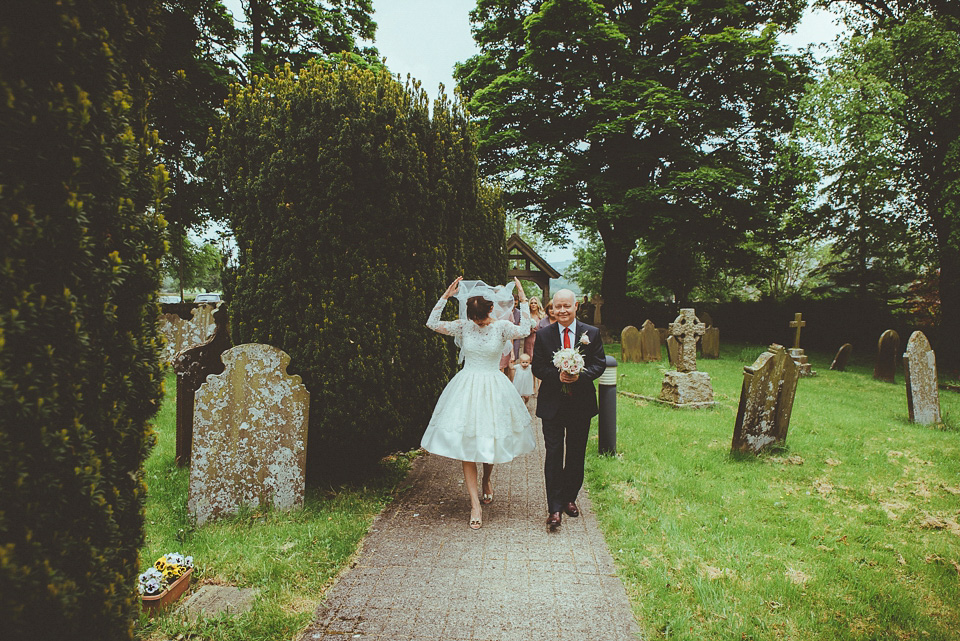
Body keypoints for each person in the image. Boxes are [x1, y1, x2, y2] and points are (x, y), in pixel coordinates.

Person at [423, 276, 536, 530]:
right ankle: (474, 503)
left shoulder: (502, 328)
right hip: (466, 388)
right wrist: (444, 296)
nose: (479, 324)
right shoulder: (464, 326)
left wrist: (523, 298)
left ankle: (487, 479)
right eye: (475, 319)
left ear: (491, 310)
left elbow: (526, 329)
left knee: (489, 439)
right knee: (468, 446)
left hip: (494, 387)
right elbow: (431, 323)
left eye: (482, 319)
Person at [532, 289, 606, 531]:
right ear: (552, 308)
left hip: (580, 404)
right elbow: (538, 367)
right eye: (558, 306)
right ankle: (554, 507)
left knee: (575, 452)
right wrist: (559, 376)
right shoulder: (543, 335)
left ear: (576, 307)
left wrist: (579, 376)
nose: (562, 310)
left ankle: (569, 498)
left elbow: (599, 363)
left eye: (567, 306)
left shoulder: (591, 333)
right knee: (554, 453)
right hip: (552, 404)